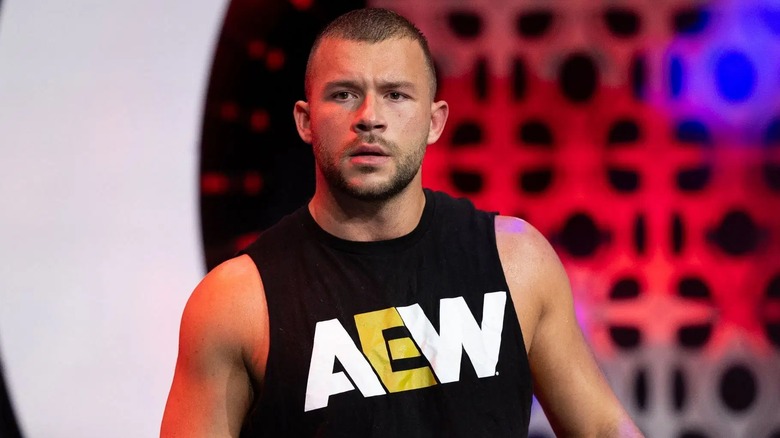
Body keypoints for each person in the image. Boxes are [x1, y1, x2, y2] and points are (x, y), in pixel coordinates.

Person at [161, 8, 643, 437]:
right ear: (305, 121)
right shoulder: (236, 302)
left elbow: (601, 427)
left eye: (395, 95)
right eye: (345, 94)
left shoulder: (516, 262)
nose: (370, 118)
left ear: (435, 121)